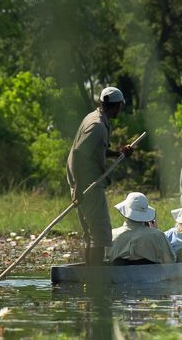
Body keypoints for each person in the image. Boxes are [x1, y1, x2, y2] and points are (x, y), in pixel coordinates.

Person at [66, 86, 133, 266]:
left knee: (92, 235)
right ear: (117, 106)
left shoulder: (95, 117)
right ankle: (96, 279)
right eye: (121, 105)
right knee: (101, 234)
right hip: (87, 184)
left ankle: (90, 278)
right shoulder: (96, 125)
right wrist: (79, 188)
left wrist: (118, 153)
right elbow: (80, 154)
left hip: (86, 182)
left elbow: (97, 149)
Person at [107, 192, 175, 265]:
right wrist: (155, 231)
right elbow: (170, 261)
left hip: (118, 276)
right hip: (151, 276)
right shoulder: (158, 236)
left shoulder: (111, 235)